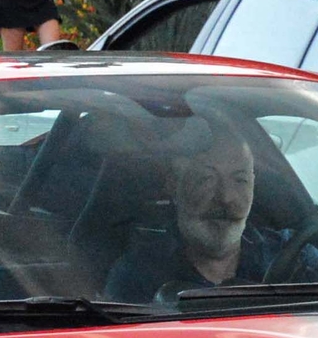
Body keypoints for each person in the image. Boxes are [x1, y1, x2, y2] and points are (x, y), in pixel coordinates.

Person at [104, 119, 292, 304]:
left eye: (240, 180)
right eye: (206, 179)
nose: (226, 197)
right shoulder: (138, 276)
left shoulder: (290, 257)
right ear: (173, 184)